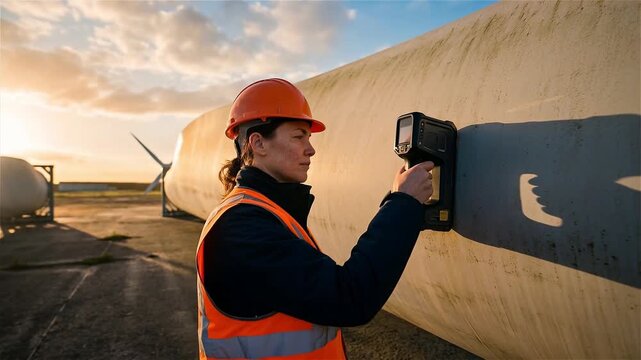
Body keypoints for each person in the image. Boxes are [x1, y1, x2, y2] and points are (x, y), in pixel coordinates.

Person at [195, 78, 434, 359]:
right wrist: (403, 205)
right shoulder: (242, 228)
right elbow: (350, 298)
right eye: (299, 136)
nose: (311, 149)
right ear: (258, 143)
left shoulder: (264, 212)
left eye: (309, 138)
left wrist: (398, 200)